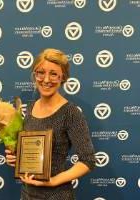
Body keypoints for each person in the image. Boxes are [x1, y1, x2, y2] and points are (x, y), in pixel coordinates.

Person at [5, 48, 96, 200]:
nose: (46, 80)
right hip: (27, 195)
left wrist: (53, 181)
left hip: (57, 195)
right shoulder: (30, 108)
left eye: (53, 74)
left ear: (63, 77)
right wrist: (15, 158)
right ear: (34, 75)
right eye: (41, 72)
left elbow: (88, 161)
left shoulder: (71, 113)